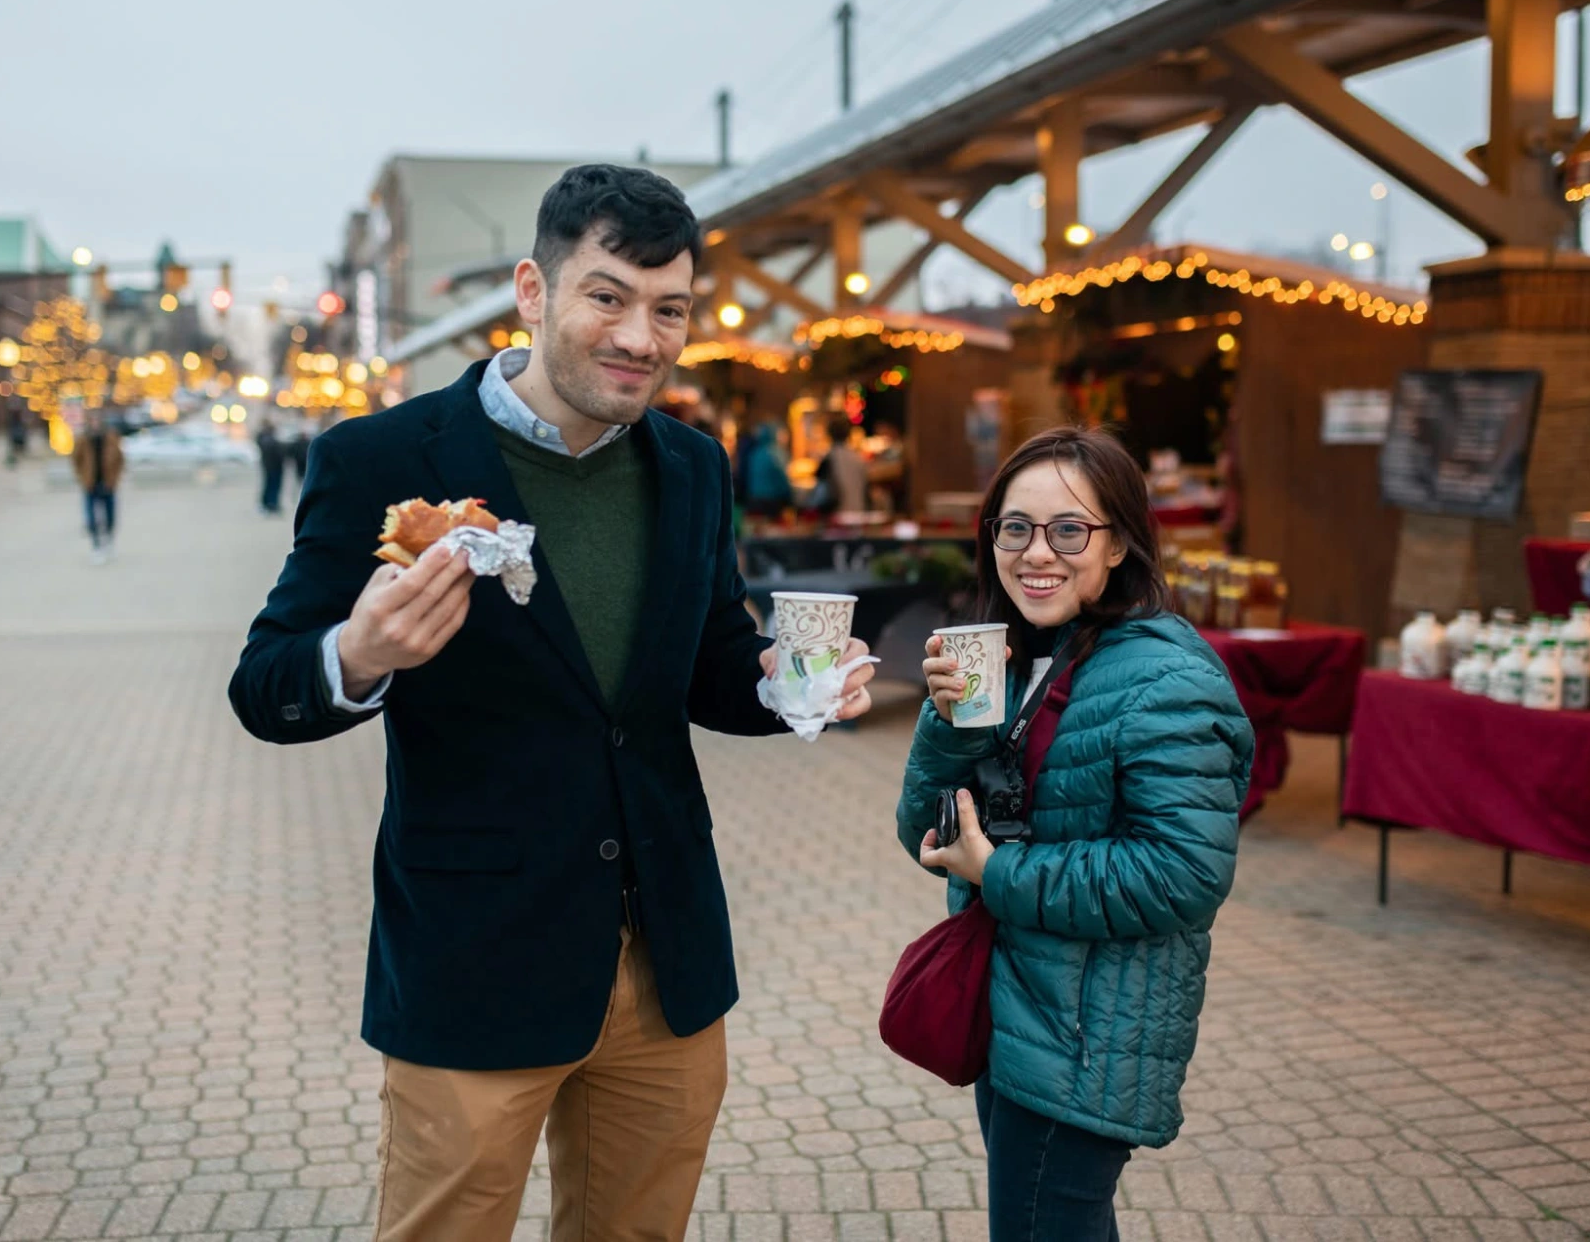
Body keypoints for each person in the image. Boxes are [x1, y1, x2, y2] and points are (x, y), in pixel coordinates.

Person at [228, 164, 875, 1242]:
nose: (640, 336)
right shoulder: (383, 458)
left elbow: (711, 660)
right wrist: (359, 651)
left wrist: (780, 687)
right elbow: (265, 684)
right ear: (533, 290)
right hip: (475, 958)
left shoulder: (694, 467)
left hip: (665, 961)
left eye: (669, 309)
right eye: (607, 296)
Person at [900, 426, 1252, 1240]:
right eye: (1015, 527)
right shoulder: (1027, 656)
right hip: (1021, 1009)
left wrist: (1000, 873)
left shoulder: (1167, 677)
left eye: (1069, 530)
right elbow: (922, 828)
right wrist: (948, 725)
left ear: (1120, 540)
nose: (1037, 553)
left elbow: (1182, 874)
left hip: (1089, 1034)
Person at [72, 416, 125, 563]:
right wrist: (82, 478)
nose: (95, 425)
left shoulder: (111, 437)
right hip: (90, 484)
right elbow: (76, 459)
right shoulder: (83, 439)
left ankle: (108, 540)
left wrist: (115, 478)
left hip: (108, 483)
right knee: (91, 518)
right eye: (93, 422)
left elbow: (120, 459)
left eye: (97, 421)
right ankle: (96, 546)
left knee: (110, 516)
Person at [818, 415, 868, 517]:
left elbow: (822, 487)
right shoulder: (857, 458)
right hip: (859, 511)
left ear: (829, 435)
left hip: (838, 514)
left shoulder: (830, 457)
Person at [742, 421, 793, 516]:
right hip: (771, 501)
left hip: (754, 499)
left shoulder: (753, 453)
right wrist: (789, 494)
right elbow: (780, 479)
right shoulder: (773, 453)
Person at [255, 418, 285, 516]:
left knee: (270, 486)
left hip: (270, 466)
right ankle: (271, 504)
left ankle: (269, 504)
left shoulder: (264, 438)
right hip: (273, 467)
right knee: (272, 486)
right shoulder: (268, 440)